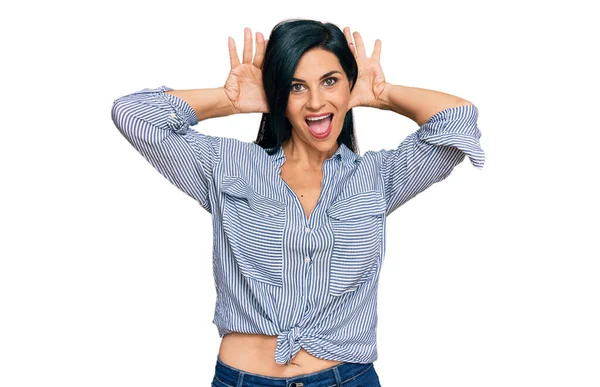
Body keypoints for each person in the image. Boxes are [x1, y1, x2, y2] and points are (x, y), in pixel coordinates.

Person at [111, 18, 484, 387]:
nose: (316, 101)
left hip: (347, 378)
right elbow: (133, 114)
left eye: (330, 81)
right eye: (296, 86)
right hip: (244, 379)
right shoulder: (227, 166)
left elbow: (457, 120)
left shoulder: (379, 177)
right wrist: (229, 101)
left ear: (348, 86)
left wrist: (381, 93)